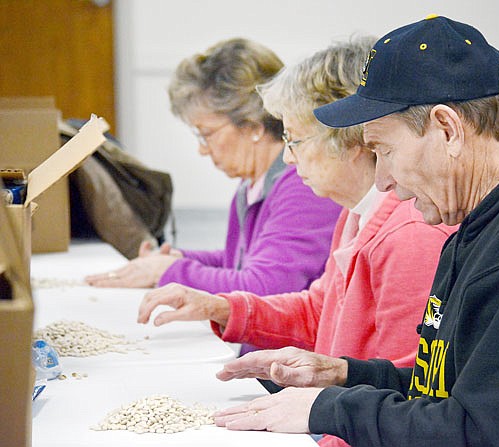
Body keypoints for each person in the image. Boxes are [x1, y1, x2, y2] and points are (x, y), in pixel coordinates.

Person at [209, 15, 499, 446]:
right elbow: (451, 388)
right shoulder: (487, 219)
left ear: (447, 128)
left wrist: (329, 408)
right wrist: (343, 374)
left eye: (384, 150)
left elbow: (492, 433)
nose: (382, 181)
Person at [136, 35, 457, 446]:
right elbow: (318, 310)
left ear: (353, 137)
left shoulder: (410, 233)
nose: (287, 158)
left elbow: (402, 400)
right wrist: (222, 306)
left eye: (295, 141)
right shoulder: (357, 212)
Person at [85, 38, 340, 304]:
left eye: (206, 134)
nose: (202, 150)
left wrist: (168, 271)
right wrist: (180, 259)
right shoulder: (253, 184)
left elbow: (264, 286)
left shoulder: (302, 186)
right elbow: (240, 262)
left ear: (253, 126)